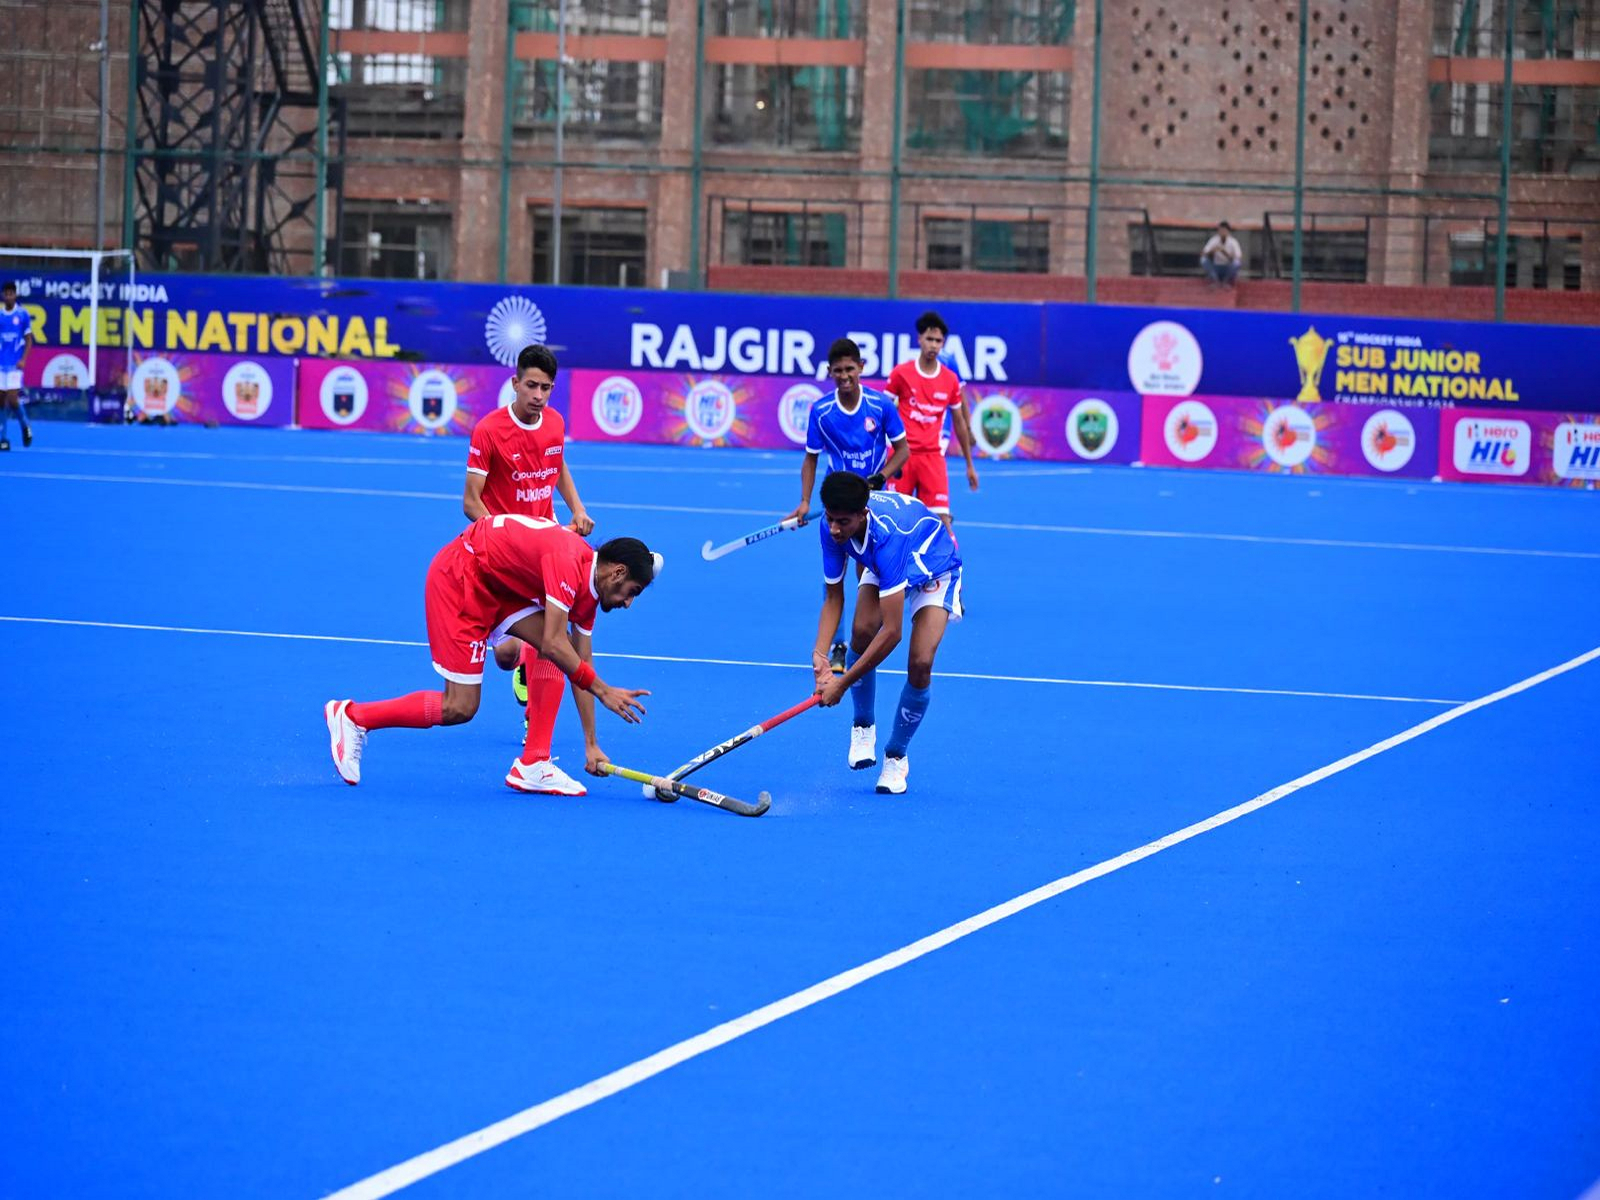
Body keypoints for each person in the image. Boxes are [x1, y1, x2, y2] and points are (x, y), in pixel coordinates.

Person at [324, 516, 658, 796]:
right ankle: (354, 717)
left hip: (498, 587)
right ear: (616, 572)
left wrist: (591, 743)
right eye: (633, 593)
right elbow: (557, 643)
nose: (628, 603)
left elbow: (579, 661)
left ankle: (534, 762)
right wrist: (604, 691)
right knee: (460, 707)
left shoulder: (588, 594)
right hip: (461, 579)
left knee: (557, 649)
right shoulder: (568, 561)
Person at [463, 343, 594, 763]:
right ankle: (522, 662)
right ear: (515, 383)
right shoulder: (488, 430)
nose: (539, 396)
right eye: (532, 386)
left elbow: (557, 466)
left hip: (548, 550)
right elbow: (470, 502)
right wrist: (494, 546)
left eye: (547, 388)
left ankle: (537, 741)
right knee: (504, 655)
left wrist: (577, 508)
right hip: (506, 558)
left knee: (551, 637)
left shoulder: (554, 423)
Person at [809, 471, 963, 796]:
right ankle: (863, 725)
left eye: (843, 522)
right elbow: (834, 596)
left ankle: (896, 756)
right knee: (861, 630)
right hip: (885, 566)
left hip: (933, 566)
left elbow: (893, 632)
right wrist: (820, 656)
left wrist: (842, 681)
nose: (835, 529)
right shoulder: (831, 528)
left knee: (920, 663)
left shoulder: (887, 537)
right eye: (830, 519)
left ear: (862, 514)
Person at [784, 337, 909, 676]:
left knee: (863, 577)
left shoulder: (881, 406)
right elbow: (810, 460)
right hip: (836, 507)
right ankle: (836, 646)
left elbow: (903, 451)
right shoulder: (822, 411)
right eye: (837, 370)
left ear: (861, 368)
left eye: (850, 369)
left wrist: (881, 476)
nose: (844, 375)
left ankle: (860, 640)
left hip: (870, 506)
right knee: (832, 582)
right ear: (829, 372)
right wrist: (806, 500)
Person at [882, 310, 978, 533]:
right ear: (919, 340)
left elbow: (959, 423)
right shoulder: (901, 373)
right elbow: (881, 412)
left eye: (938, 341)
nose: (933, 345)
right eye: (929, 339)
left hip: (932, 457)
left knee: (941, 522)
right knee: (894, 523)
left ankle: (949, 568)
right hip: (901, 456)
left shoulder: (950, 379)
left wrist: (969, 465)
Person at [0, 281, 34, 451]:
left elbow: (29, 339)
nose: (8, 296)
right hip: (0, 363)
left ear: (15, 295)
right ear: (2, 296)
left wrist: (23, 359)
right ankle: (3, 438)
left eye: (11, 293)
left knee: (12, 399)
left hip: (14, 364)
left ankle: (24, 424)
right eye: (5, 294)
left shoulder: (22, 315)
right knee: (0, 400)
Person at [1200, 221, 1243, 287]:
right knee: (1203, 260)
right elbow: (1203, 253)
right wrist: (1212, 251)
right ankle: (1215, 280)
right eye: (1220, 230)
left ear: (1228, 231)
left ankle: (1226, 282)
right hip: (1216, 267)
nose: (1222, 232)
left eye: (1224, 230)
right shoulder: (1214, 240)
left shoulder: (1233, 242)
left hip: (1227, 268)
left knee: (1236, 263)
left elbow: (1238, 257)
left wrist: (1225, 252)